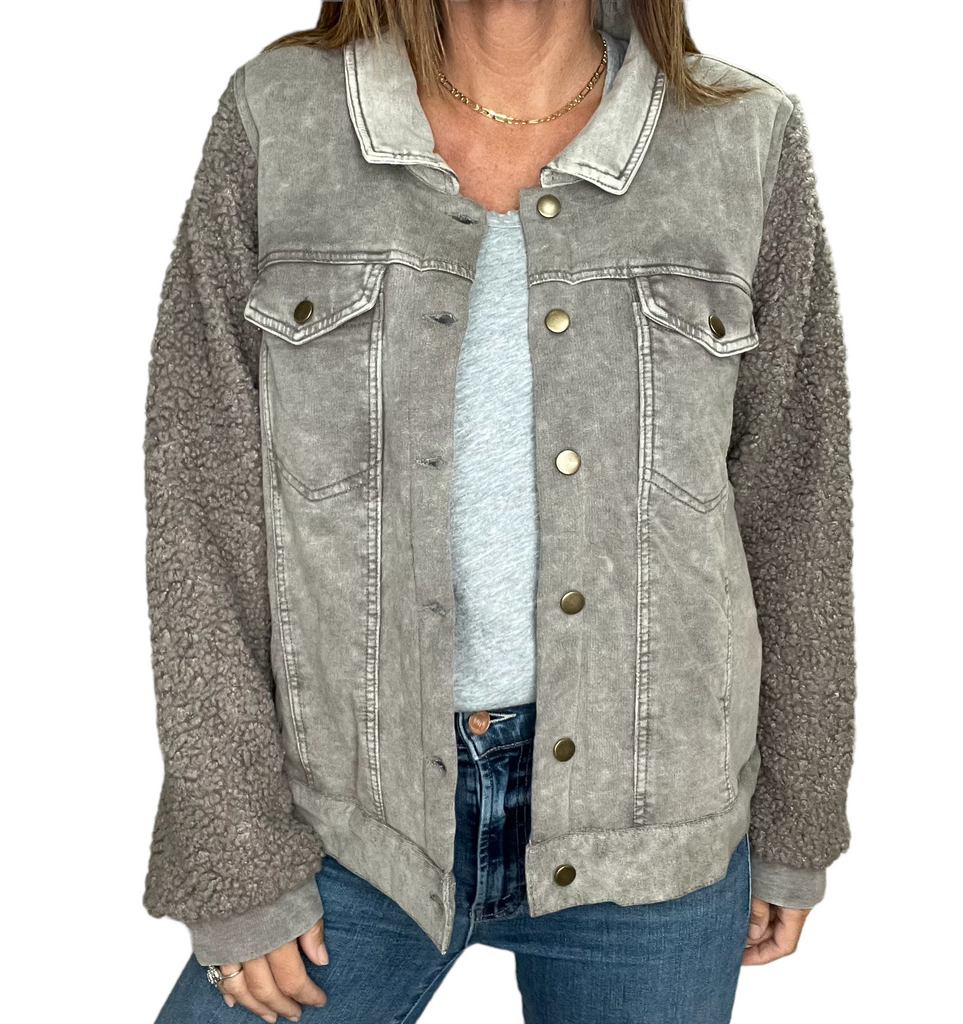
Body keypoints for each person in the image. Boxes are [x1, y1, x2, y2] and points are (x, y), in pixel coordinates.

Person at [142, 0, 856, 1021]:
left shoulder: (742, 136)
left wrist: (796, 815)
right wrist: (233, 852)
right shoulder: (282, 115)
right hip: (347, 818)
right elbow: (201, 502)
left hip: (655, 821)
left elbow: (797, 506)